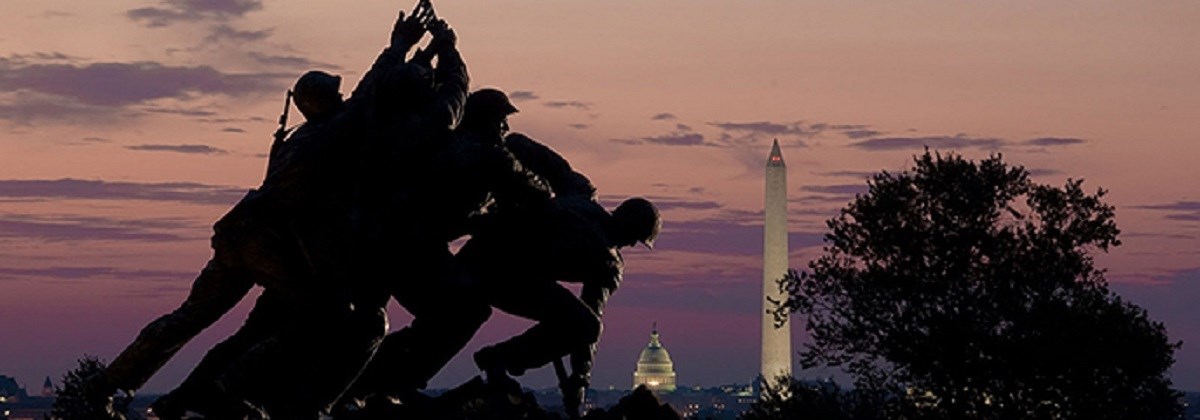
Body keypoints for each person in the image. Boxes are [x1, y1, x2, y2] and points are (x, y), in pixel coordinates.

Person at [100, 6, 441, 419]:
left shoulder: (303, 136)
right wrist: (401, 45)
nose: (340, 97)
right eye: (333, 94)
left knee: (190, 318)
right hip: (267, 239)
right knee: (324, 316)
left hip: (239, 231)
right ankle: (231, 389)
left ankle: (106, 385)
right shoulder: (331, 132)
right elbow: (370, 92)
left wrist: (418, 56)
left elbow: (365, 98)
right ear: (321, 103)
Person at [341, 88, 553, 408]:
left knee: (430, 318)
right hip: (413, 247)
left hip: (383, 241)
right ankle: (380, 380)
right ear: (490, 122)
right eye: (502, 122)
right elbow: (538, 191)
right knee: (466, 310)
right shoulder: (491, 155)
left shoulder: (439, 143)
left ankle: (372, 378)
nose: (505, 130)